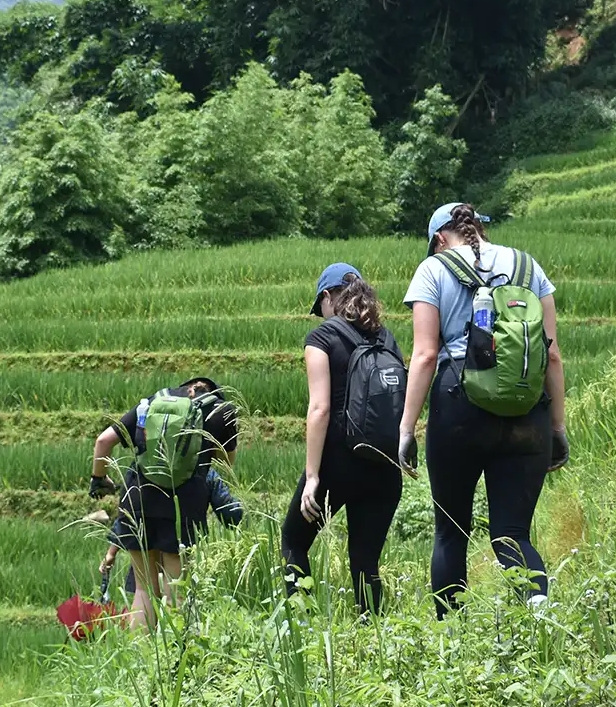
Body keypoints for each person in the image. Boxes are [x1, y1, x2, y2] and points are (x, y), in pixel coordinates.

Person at [398, 202, 568, 619]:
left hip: (460, 406)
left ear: (439, 239)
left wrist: (406, 430)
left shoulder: (434, 270)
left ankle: (450, 637)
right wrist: (558, 429)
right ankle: (539, 616)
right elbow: (554, 356)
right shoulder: (529, 267)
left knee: (451, 532)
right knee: (512, 534)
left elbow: (424, 354)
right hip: (528, 410)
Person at [280, 263, 406, 615]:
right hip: (383, 464)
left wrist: (313, 476)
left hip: (337, 463)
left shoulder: (321, 337)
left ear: (326, 297)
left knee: (293, 542)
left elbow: (319, 408)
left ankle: (301, 628)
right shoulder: (387, 338)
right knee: (365, 562)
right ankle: (372, 636)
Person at [90, 377, 238, 628]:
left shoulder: (152, 402)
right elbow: (226, 464)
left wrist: (99, 478)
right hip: (183, 506)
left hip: (138, 499)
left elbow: (103, 441)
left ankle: (142, 659)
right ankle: (175, 661)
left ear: (186, 388)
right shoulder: (220, 411)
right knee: (177, 590)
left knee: (143, 589)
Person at [100, 467, 245, 597]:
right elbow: (231, 514)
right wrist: (244, 509)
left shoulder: (145, 468)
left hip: (148, 550)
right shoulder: (203, 470)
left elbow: (129, 512)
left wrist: (111, 552)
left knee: (145, 595)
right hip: (180, 547)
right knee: (176, 598)